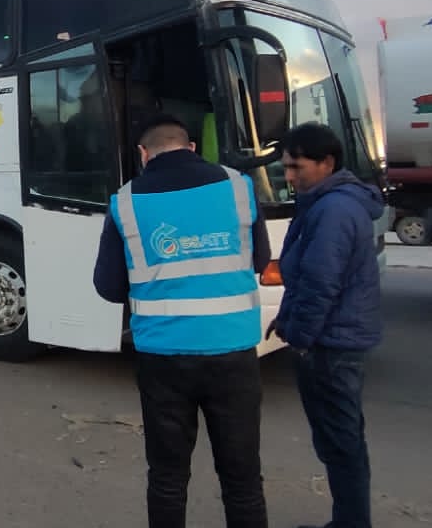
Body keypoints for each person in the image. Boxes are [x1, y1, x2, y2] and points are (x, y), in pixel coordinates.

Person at [93, 113, 272, 528]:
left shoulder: (124, 202)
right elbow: (260, 260)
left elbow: (108, 286)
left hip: (163, 359)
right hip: (234, 353)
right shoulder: (238, 187)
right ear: (191, 147)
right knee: (243, 480)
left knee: (168, 478)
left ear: (143, 154)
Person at [266, 121, 385, 528]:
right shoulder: (326, 203)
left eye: (298, 167)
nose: (290, 176)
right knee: (341, 442)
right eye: (286, 167)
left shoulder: (334, 209)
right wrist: (286, 318)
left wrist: (298, 336)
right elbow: (306, 275)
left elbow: (320, 283)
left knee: (341, 443)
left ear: (327, 163)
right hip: (334, 339)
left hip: (331, 345)